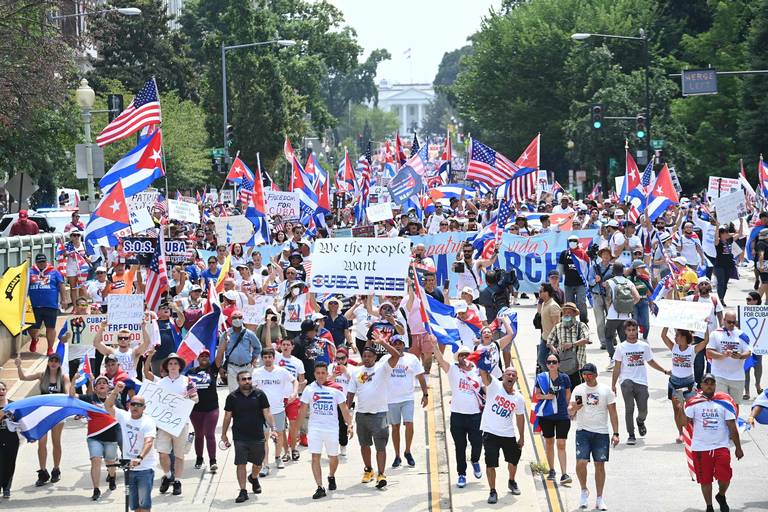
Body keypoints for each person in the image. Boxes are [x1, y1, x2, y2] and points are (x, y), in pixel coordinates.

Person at [346, 333, 401, 489]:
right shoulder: (357, 372)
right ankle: (369, 470)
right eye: (364, 356)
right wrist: (347, 414)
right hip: (362, 414)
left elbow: (396, 355)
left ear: (375, 357)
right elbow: (350, 394)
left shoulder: (383, 368)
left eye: (370, 356)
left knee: (380, 446)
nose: (367, 358)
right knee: (364, 445)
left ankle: (381, 474)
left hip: (380, 414)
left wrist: (383, 342)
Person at [684, 373, 744, 512]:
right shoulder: (693, 403)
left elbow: (732, 426)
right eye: (706, 383)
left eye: (712, 383)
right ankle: (709, 506)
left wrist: (738, 448)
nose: (709, 385)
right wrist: (680, 407)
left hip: (721, 446)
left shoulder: (724, 402)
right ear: (701, 385)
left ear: (715, 385)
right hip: (700, 447)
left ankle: (721, 495)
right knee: (705, 480)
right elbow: (683, 423)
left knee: (725, 477)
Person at [144, 353, 199, 496]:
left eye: (175, 363)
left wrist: (185, 398)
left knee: (179, 455)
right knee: (163, 453)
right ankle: (168, 476)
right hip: (164, 424)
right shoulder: (160, 383)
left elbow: (196, 399)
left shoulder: (188, 381)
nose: (173, 366)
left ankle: (178, 482)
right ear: (166, 367)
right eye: (170, 364)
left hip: (181, 423)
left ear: (180, 366)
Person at [568, 363, 620, 511]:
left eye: (590, 374)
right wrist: (573, 409)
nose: (587, 377)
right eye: (584, 374)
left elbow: (613, 413)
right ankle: (584, 490)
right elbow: (572, 410)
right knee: (581, 462)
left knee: (599, 464)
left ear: (596, 375)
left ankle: (599, 498)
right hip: (583, 431)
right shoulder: (579, 389)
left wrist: (616, 433)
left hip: (601, 432)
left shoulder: (606, 391)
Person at [299, 361, 354, 499]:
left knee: (333, 458)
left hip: (331, 428)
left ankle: (331, 475)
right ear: (314, 374)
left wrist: (350, 425)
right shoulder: (309, 389)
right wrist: (297, 431)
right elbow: (302, 410)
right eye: (318, 373)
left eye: (323, 373)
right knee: (315, 456)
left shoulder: (336, 389)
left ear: (327, 374)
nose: (320, 375)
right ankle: (320, 487)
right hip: (315, 428)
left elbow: (344, 409)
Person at [610, 319, 671, 445]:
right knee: (629, 408)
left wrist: (664, 370)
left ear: (637, 330)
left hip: (641, 381)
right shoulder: (621, 347)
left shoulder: (644, 346)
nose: (632, 332)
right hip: (626, 381)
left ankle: (640, 421)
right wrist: (613, 384)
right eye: (629, 330)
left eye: (634, 330)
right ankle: (631, 435)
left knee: (643, 410)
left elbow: (651, 361)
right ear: (625, 331)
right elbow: (617, 367)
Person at [221, 370, 276, 503]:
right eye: (244, 379)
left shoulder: (259, 394)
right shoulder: (232, 397)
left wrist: (273, 429)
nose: (247, 381)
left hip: (257, 435)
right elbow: (227, 416)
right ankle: (243, 491)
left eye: (249, 378)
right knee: (241, 463)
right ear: (238, 381)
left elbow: (267, 412)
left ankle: (254, 478)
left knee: (258, 463)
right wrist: (223, 434)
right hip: (240, 436)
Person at [433, 343, 484, 488]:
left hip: (475, 416)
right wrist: (434, 344)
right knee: (460, 447)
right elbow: (440, 360)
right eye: (461, 355)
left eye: (467, 355)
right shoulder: (453, 370)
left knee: (477, 443)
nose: (464, 358)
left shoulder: (478, 372)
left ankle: (475, 461)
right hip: (457, 416)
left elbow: (487, 387)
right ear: (458, 358)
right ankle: (462, 474)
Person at [15, 352, 70, 486]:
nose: (53, 363)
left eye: (56, 361)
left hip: (57, 414)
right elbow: (23, 378)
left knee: (56, 442)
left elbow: (67, 394)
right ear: (48, 362)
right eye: (51, 360)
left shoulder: (64, 377)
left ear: (59, 363)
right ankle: (43, 471)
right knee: (41, 443)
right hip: (42, 414)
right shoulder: (41, 375)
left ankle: (56, 469)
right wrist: (18, 366)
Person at [477, 364, 525, 504]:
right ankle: (492, 491)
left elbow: (520, 417)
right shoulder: (494, 385)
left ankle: (511, 481)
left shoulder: (519, 398)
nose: (510, 376)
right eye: (508, 374)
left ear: (516, 378)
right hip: (490, 433)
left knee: (514, 460)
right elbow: (484, 375)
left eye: (513, 375)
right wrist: (482, 361)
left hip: (508, 433)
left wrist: (522, 437)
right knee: (490, 463)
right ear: (503, 375)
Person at [105, 382, 157, 512]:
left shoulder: (148, 422)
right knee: (134, 506)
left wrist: (139, 458)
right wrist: (116, 390)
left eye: (139, 405)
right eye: (133, 404)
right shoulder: (124, 416)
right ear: (129, 405)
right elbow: (108, 406)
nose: (135, 407)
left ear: (144, 408)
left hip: (145, 468)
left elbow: (149, 442)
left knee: (144, 505)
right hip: (129, 468)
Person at [69, 375, 120, 500]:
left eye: (104, 382)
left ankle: (112, 477)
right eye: (99, 383)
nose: (102, 384)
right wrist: (74, 381)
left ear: (108, 387)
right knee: (96, 460)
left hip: (111, 438)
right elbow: (71, 396)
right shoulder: (89, 398)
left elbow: (122, 417)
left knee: (110, 461)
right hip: (94, 437)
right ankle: (96, 489)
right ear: (95, 388)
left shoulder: (115, 400)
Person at [252, 347, 298, 476]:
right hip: (262, 411)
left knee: (279, 435)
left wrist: (294, 393)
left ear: (273, 358)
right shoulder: (256, 372)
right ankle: (265, 464)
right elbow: (251, 389)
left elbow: (295, 381)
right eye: (265, 357)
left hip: (278, 409)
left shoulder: (281, 371)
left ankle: (278, 457)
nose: (267, 359)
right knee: (264, 437)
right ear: (262, 358)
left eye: (269, 357)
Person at [384, 334, 428, 468]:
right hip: (391, 399)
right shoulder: (385, 359)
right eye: (395, 343)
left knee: (409, 424)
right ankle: (397, 455)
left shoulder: (412, 359)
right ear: (391, 345)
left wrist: (425, 394)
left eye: (400, 343)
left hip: (407, 398)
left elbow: (420, 376)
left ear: (404, 345)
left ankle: (407, 451)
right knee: (395, 427)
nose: (398, 346)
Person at [660, 327, 707, 443]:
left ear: (685, 337)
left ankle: (691, 431)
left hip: (689, 383)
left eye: (678, 335)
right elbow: (663, 336)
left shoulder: (692, 349)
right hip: (674, 383)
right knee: (677, 410)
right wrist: (667, 322)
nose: (675, 337)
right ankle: (681, 433)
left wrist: (705, 326)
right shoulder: (674, 347)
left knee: (690, 410)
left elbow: (706, 341)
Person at [533, 353, 572, 484]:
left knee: (561, 444)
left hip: (562, 416)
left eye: (554, 362)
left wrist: (565, 406)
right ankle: (551, 470)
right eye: (549, 362)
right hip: (547, 416)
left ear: (558, 364)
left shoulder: (564, 378)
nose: (551, 364)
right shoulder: (541, 378)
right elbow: (537, 395)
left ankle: (564, 473)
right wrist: (547, 397)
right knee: (549, 443)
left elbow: (568, 393)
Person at [706, 311, 752, 405]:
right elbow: (709, 352)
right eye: (729, 322)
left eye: (733, 322)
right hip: (719, 375)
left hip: (737, 376)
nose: (731, 324)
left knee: (735, 405)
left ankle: (734, 420)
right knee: (721, 404)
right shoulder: (715, 334)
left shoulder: (741, 334)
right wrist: (723, 355)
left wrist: (740, 356)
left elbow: (749, 352)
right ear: (723, 321)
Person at [685, 276, 724, 385]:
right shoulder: (693, 298)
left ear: (709, 286)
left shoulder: (714, 298)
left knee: (711, 362)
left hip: (712, 336)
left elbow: (720, 314)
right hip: (697, 336)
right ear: (698, 287)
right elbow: (678, 302)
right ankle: (698, 384)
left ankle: (709, 384)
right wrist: (674, 289)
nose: (703, 286)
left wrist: (721, 327)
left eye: (705, 284)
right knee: (698, 363)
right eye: (701, 284)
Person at [603, 262, 640, 369]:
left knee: (609, 337)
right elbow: (637, 297)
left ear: (613, 271)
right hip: (626, 316)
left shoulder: (610, 282)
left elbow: (608, 299)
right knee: (624, 339)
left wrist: (609, 309)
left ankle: (613, 359)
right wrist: (629, 306)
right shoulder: (628, 282)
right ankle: (625, 360)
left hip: (612, 315)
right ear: (623, 271)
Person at [188, 349, 220, 472]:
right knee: (199, 434)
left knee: (209, 434)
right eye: (201, 356)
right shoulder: (190, 372)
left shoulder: (212, 369)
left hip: (211, 408)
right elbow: (186, 388)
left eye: (207, 355)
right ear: (197, 358)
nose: (204, 357)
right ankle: (199, 458)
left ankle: (213, 460)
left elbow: (220, 354)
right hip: (196, 409)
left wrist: (223, 341)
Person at [28, 253, 66, 355]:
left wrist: (64, 299)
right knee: (32, 328)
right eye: (39, 262)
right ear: (36, 262)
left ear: (46, 261)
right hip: (34, 305)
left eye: (43, 262)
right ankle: (34, 339)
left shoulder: (54, 272)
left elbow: (61, 285)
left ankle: (50, 348)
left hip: (50, 305)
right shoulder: (30, 272)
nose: (42, 264)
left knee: (50, 327)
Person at [275, 337, 306, 462]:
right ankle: (286, 452)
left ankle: (294, 449)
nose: (286, 346)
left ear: (292, 347)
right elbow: (266, 344)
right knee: (281, 428)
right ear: (280, 346)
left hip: (293, 399)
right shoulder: (276, 357)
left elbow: (301, 380)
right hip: (278, 399)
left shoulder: (298, 362)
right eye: (284, 344)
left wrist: (297, 392)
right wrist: (267, 324)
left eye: (288, 344)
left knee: (293, 427)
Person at [546, 302, 590, 388]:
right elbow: (549, 342)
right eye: (565, 312)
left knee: (578, 392)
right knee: (563, 391)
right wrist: (554, 350)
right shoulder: (558, 327)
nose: (566, 314)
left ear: (574, 314)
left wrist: (572, 344)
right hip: (562, 365)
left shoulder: (581, 326)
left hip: (578, 366)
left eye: (569, 312)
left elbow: (586, 339)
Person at [219, 310, 262, 392]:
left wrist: (254, 358)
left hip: (246, 367)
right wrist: (221, 367)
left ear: (243, 319)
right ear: (231, 320)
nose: (237, 319)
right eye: (235, 317)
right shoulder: (226, 334)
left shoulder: (249, 333)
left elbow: (258, 347)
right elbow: (220, 351)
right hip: (232, 367)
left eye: (240, 317)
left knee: (247, 391)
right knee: (233, 392)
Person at [559, 235, 589, 322]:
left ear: (578, 242)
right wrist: (559, 278)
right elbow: (560, 267)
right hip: (568, 283)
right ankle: (571, 322)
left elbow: (587, 265)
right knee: (569, 305)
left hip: (580, 283)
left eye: (574, 241)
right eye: (570, 241)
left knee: (581, 303)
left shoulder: (583, 253)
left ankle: (584, 320)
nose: (572, 242)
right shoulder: (564, 253)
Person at [589, 247, 613, 350]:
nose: (606, 256)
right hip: (597, 296)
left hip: (609, 296)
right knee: (600, 321)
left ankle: (612, 338)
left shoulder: (613, 268)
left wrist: (608, 284)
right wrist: (595, 280)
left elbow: (617, 280)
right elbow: (589, 281)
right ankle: (604, 342)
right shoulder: (594, 267)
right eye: (604, 254)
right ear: (601, 256)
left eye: (608, 254)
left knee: (611, 319)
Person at [0, 380, 20, 499]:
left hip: (11, 439)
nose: (1, 392)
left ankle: (7, 488)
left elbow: (22, 422)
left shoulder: (13, 405)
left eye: (3, 389)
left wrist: (30, 435)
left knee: (10, 463)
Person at [537, 283, 562, 372]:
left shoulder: (553, 306)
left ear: (547, 293)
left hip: (551, 341)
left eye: (541, 291)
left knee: (549, 362)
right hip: (544, 338)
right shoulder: (544, 303)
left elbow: (557, 325)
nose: (539, 293)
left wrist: (553, 343)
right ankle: (548, 376)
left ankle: (551, 376)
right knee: (541, 360)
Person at [744, 292, 763, 399]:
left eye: (749, 299)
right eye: (747, 299)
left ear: (756, 301)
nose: (747, 302)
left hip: (759, 344)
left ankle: (758, 384)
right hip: (746, 344)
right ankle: (746, 391)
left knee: (758, 365)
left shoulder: (763, 312)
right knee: (746, 367)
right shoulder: (743, 312)